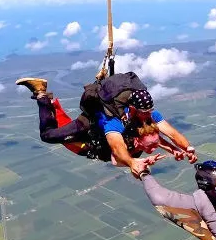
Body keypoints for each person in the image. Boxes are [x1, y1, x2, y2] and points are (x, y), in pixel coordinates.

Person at [15, 75, 197, 177]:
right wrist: (132, 162)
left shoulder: (148, 117)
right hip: (90, 126)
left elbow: (170, 134)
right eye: (144, 111)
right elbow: (117, 148)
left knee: (143, 144)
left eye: (149, 111)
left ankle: (51, 103)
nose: (147, 114)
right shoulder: (115, 120)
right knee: (49, 135)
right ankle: (41, 92)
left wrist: (185, 148)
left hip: (102, 143)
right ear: (133, 107)